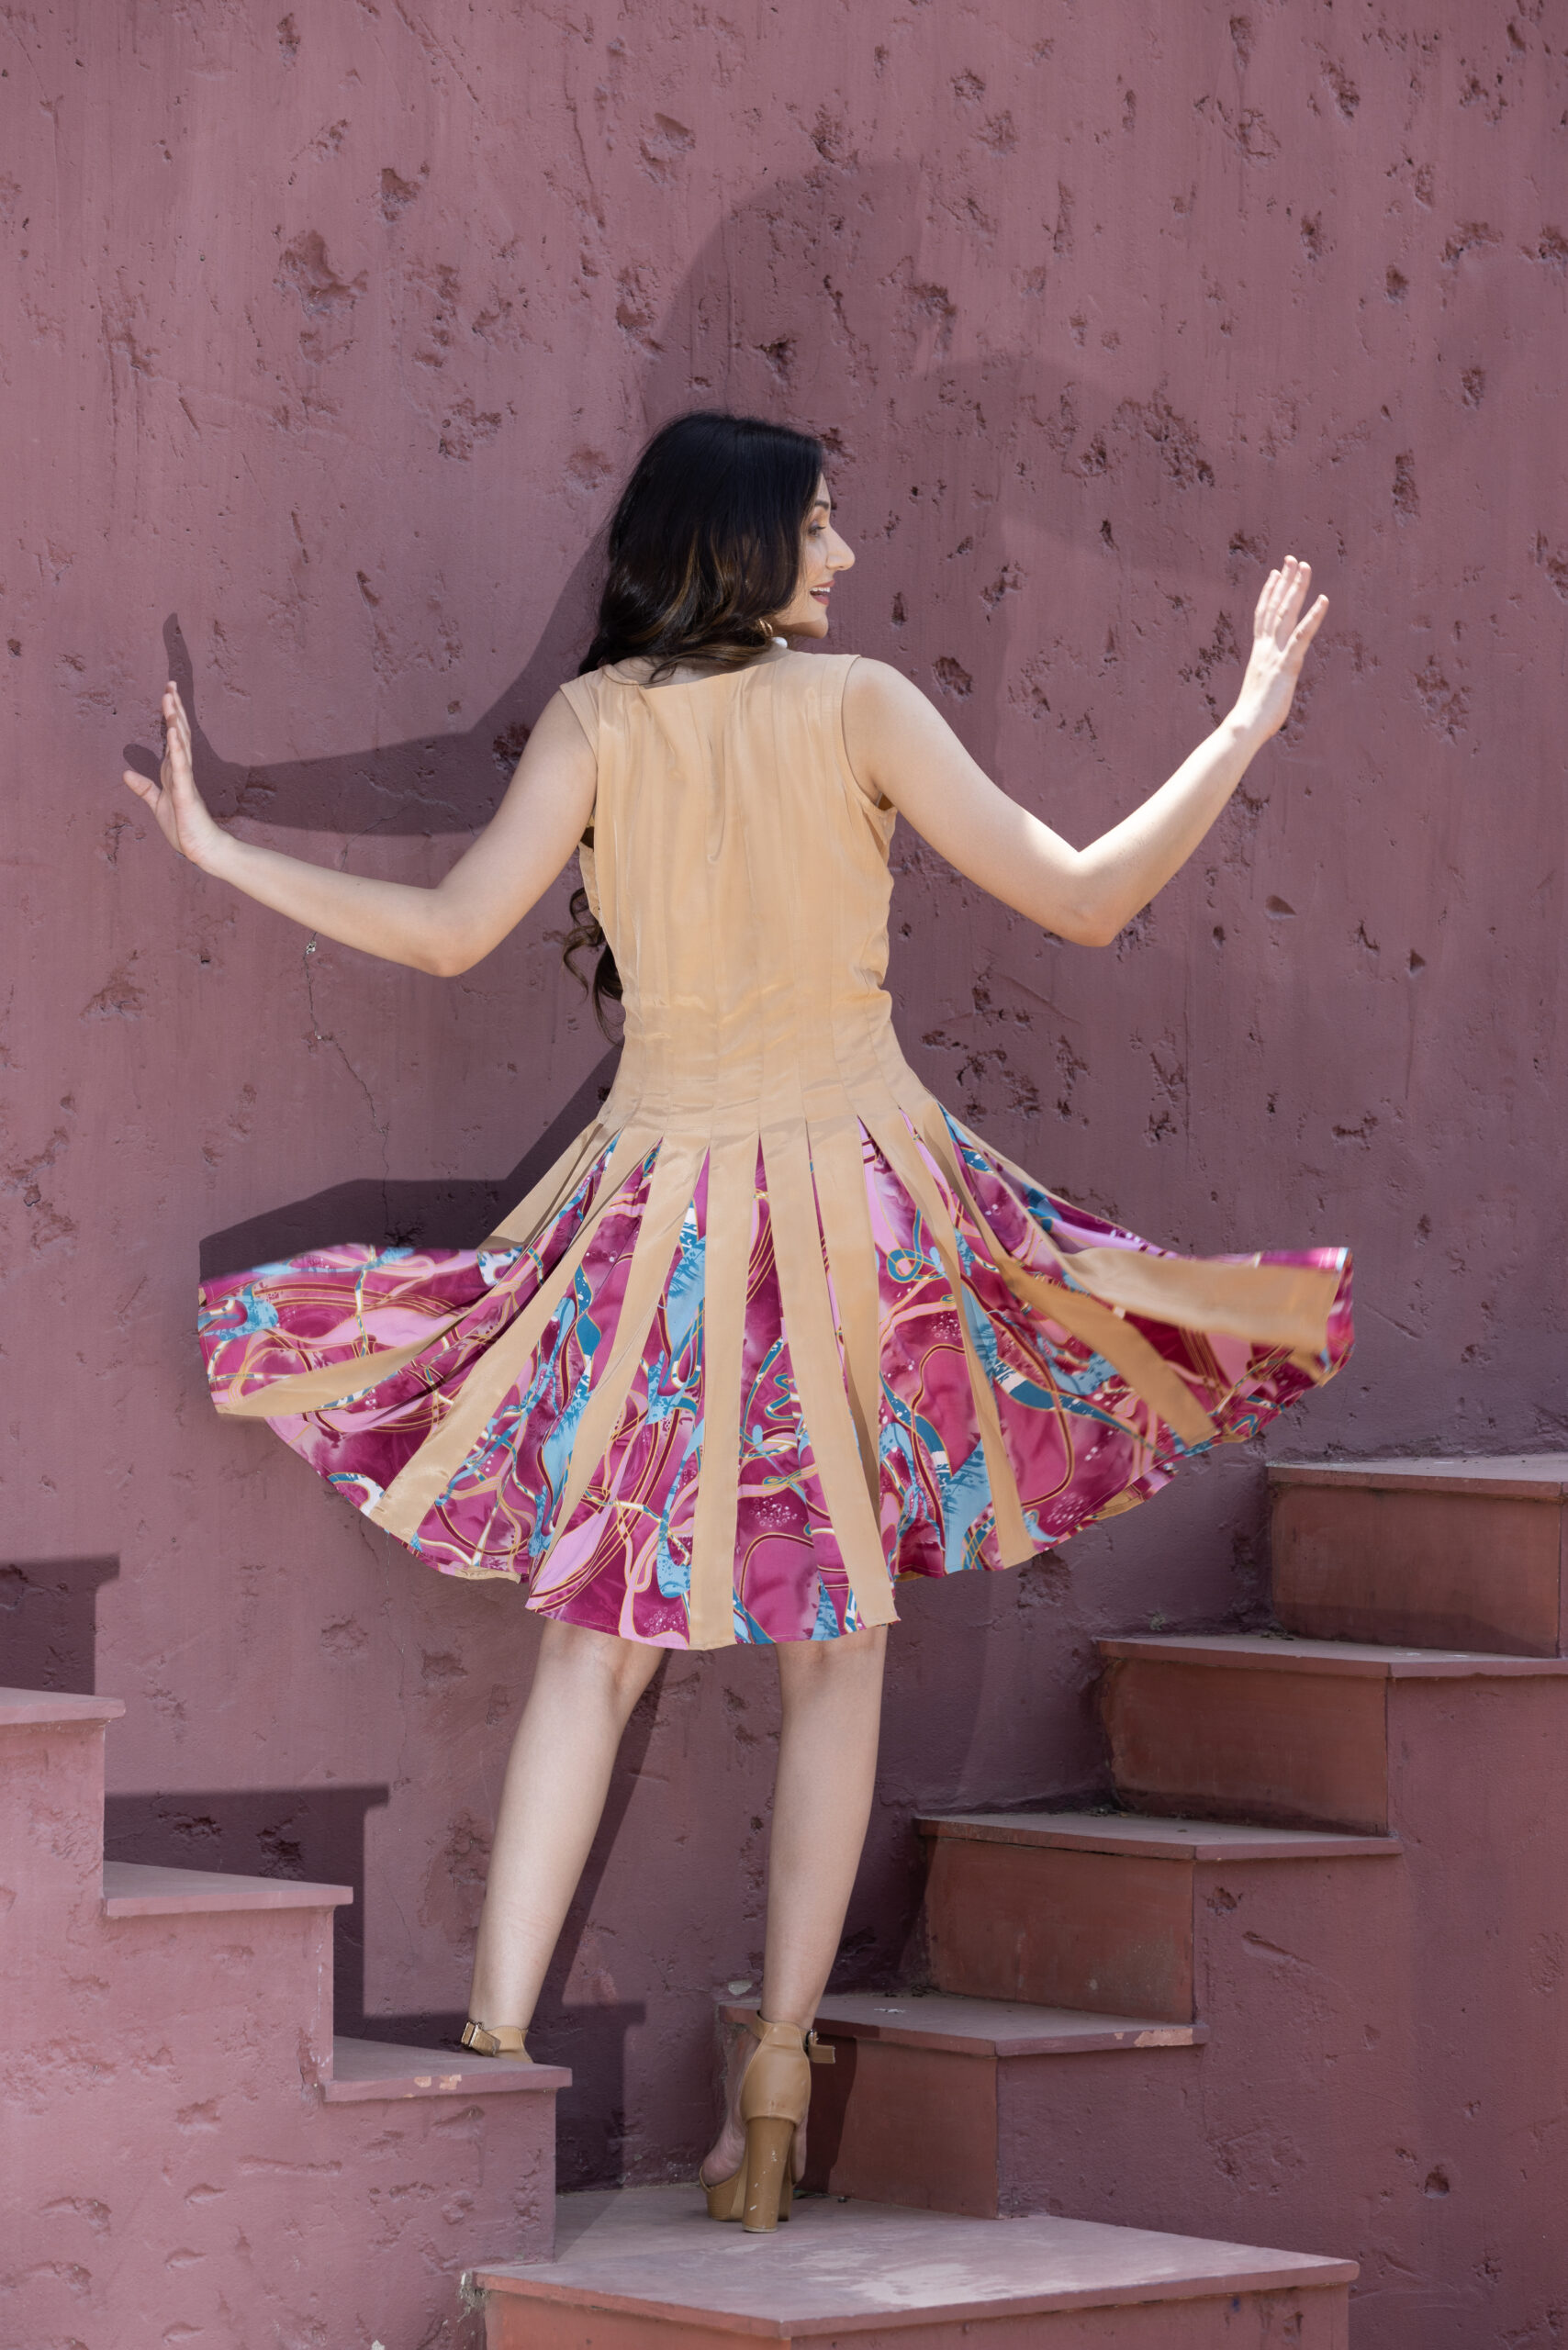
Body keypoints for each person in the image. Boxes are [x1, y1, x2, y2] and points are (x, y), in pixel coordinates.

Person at [123, 408, 1349, 2233]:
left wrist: (223, 853)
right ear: (748, 539)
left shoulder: (599, 722)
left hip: (659, 1225)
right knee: (833, 1652)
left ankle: (487, 2056)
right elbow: (1086, 895)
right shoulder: (856, 705)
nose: (842, 556)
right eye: (823, 524)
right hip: (864, 1209)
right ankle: (773, 2085)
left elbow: (452, 934)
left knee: (594, 1638)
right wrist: (1242, 722)